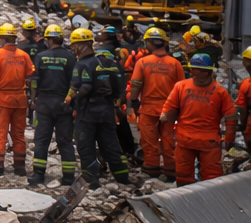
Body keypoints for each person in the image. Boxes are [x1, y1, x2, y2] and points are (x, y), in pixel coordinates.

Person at [160, 53, 236, 186]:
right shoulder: (218, 91)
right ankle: (198, 203)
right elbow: (231, 117)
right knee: (207, 179)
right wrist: (230, 137)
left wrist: (229, 137)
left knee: (196, 177)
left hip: (192, 141)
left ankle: (191, 201)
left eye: (195, 70)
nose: (193, 73)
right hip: (202, 142)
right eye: (192, 70)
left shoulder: (182, 87)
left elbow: (167, 114)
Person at [71, 28, 130, 186]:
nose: (73, 49)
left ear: (81, 45)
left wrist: (69, 104)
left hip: (87, 113)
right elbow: (120, 89)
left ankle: (92, 182)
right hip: (106, 111)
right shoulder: (109, 63)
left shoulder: (82, 64)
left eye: (74, 46)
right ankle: (123, 179)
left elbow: (79, 89)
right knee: (111, 145)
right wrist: (115, 104)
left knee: (86, 147)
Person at [129, 27, 184, 181]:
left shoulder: (143, 62)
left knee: (149, 142)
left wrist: (134, 101)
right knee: (168, 141)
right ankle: (170, 172)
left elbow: (135, 84)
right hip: (169, 110)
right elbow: (181, 88)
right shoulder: (175, 64)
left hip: (148, 109)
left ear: (150, 43)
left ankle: (151, 171)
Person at [0, 25, 35, 177]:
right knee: (18, 134)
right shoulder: (24, 55)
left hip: (2, 101)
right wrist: (32, 97)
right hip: (20, 100)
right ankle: (20, 168)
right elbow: (31, 78)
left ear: (2, 38)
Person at [28, 25, 76, 187]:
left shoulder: (41, 57)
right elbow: (75, 83)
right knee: (65, 141)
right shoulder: (70, 57)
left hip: (44, 104)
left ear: (48, 40)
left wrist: (33, 100)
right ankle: (69, 177)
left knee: (41, 141)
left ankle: (38, 175)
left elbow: (34, 80)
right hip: (64, 104)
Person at [96, 27, 135, 164]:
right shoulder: (121, 48)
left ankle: (110, 153)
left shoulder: (103, 50)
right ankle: (128, 149)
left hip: (106, 91)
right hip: (121, 86)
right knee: (120, 119)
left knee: (112, 123)